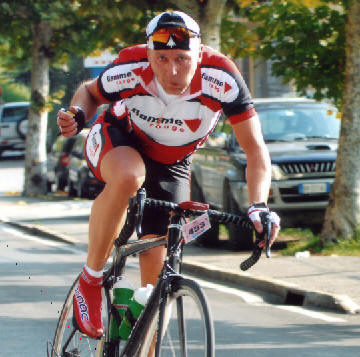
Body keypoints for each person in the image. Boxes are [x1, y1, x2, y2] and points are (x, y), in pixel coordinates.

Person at [57, 11, 280, 339]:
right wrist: (78, 114)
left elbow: (255, 150)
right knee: (130, 175)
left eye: (181, 58)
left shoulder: (223, 78)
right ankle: (90, 281)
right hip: (119, 139)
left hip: (172, 164)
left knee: (155, 290)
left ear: (200, 54)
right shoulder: (131, 68)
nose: (172, 71)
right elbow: (89, 92)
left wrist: (259, 204)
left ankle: (137, 324)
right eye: (161, 58)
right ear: (149, 55)